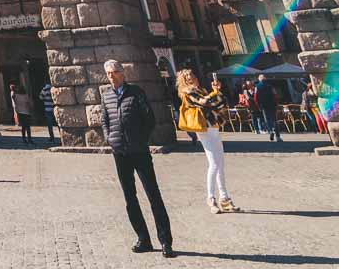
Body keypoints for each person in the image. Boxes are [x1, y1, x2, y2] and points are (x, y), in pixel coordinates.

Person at [99, 60, 175, 258]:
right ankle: (143, 239)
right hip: (120, 153)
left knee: (153, 195)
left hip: (139, 151)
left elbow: (149, 119)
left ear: (123, 73)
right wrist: (110, 139)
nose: (111, 76)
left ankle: (165, 241)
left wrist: (140, 139)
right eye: (108, 73)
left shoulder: (136, 92)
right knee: (129, 198)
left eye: (114, 72)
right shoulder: (106, 95)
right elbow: (104, 120)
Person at [176, 68, 239, 214]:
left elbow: (219, 104)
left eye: (193, 74)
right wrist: (215, 93)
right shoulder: (188, 92)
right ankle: (211, 198)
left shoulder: (202, 89)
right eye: (189, 76)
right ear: (185, 80)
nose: (193, 77)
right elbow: (203, 102)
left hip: (213, 126)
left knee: (220, 163)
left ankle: (225, 199)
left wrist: (216, 92)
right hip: (203, 129)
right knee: (214, 164)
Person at [253, 75, 283, 143]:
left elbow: (255, 97)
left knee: (267, 120)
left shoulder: (257, 87)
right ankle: (278, 137)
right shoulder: (270, 86)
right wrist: (276, 104)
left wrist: (259, 106)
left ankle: (271, 131)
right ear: (265, 79)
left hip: (263, 105)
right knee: (275, 120)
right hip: (272, 105)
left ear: (259, 80)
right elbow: (275, 95)